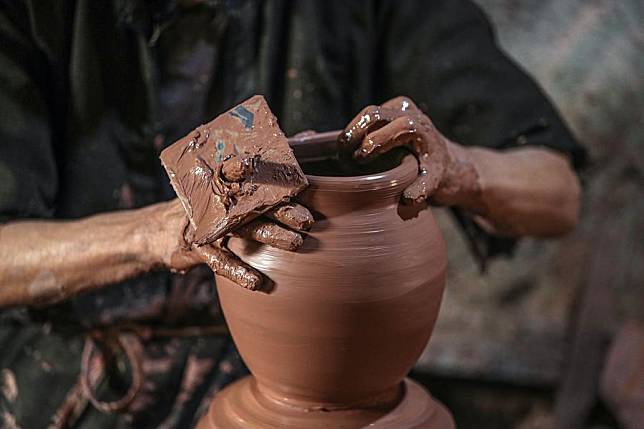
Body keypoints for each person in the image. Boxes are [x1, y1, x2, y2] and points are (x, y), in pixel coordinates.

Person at [0, 0, 585, 427]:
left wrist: (462, 168)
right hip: (80, 378)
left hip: (315, 386)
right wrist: (156, 232)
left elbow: (557, 193)